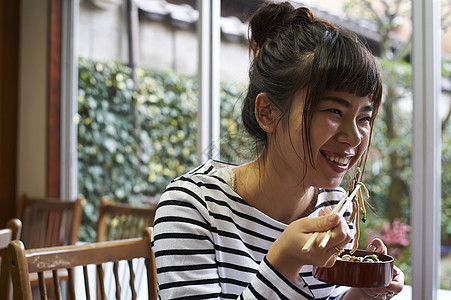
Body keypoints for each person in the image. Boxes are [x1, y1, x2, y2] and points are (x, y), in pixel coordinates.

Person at [151, 1, 404, 299]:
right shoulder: (193, 207)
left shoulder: (334, 204)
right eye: (335, 111)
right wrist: (285, 261)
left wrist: (362, 294)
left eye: (364, 118)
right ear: (268, 113)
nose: (354, 137)